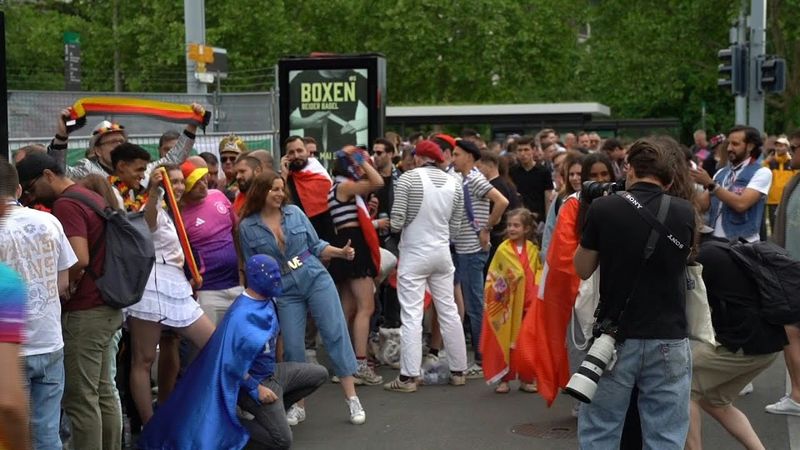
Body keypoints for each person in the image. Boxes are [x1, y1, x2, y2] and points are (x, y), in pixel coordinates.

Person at [573, 138, 695, 448]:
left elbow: (582, 268)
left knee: (602, 428)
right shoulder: (684, 211)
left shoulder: (604, 207)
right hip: (668, 335)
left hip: (615, 337)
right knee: (666, 433)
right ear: (668, 179)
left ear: (629, 170)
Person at [139, 255, 328, 450]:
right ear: (257, 278)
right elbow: (227, 361)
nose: (276, 279)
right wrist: (256, 389)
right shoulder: (240, 315)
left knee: (319, 374)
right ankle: (230, 428)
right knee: (282, 441)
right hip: (250, 382)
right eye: (271, 275)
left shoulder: (268, 301)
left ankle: (270, 414)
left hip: (272, 374)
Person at [238, 172, 366, 425]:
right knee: (293, 346)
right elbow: (252, 267)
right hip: (282, 287)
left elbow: (316, 246)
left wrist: (340, 252)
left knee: (334, 333)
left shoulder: (294, 213)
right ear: (260, 192)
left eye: (281, 188)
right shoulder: (246, 227)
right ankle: (298, 405)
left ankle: (352, 399)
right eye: (273, 189)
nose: (279, 193)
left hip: (313, 274)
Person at [16, 152, 124, 450]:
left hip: (86, 311)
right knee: (103, 391)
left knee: (80, 398)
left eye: (32, 188)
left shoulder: (67, 204)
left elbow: (79, 258)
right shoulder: (89, 195)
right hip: (108, 305)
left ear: (48, 175)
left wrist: (61, 286)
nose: (30, 196)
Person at [126, 166, 216, 425]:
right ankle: (150, 426)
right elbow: (149, 221)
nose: (177, 186)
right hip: (152, 283)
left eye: (179, 182)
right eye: (171, 182)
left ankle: (176, 409)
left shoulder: (177, 211)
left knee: (213, 342)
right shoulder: (151, 205)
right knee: (143, 360)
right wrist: (155, 192)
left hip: (177, 284)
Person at [0, 159, 78, 450]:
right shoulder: (49, 222)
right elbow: (62, 282)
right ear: (19, 189)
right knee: (48, 433)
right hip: (50, 341)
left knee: (13, 435)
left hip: (10, 349)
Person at [685, 237, 787, 450]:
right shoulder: (722, 246)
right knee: (715, 401)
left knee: (684, 387)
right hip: (769, 341)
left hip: (743, 343)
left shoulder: (701, 259)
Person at [384, 140, 469, 392]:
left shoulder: (409, 179)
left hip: (414, 253)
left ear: (419, 158)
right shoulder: (454, 182)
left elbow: (397, 221)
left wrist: (403, 224)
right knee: (449, 311)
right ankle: (458, 370)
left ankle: (409, 377)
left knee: (411, 314)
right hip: (442, 252)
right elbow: (456, 227)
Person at [451, 139, 509, 378]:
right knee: (473, 302)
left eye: (456, 154)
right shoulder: (466, 178)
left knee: (475, 305)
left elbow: (501, 201)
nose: (452, 158)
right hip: (466, 249)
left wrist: (487, 227)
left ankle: (482, 358)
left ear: (469, 157)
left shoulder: (474, 179)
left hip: (472, 249)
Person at [327, 147, 385, 385]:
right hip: (355, 247)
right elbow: (378, 182)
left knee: (348, 310)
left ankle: (345, 364)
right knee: (365, 307)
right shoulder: (345, 186)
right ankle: (360, 365)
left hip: (346, 244)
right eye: (359, 163)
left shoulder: (337, 186)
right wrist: (361, 160)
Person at [47, 104, 204, 180]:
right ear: (97, 151)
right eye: (112, 142)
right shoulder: (87, 171)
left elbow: (174, 159)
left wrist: (192, 124)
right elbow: (58, 171)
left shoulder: (142, 169)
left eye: (121, 141)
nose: (119, 146)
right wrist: (62, 135)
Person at [481, 208, 540, 394]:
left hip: (528, 303)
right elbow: (495, 275)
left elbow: (537, 272)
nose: (512, 228)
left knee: (526, 341)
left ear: (526, 228)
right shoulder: (503, 249)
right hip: (507, 304)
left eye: (516, 225)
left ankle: (526, 377)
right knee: (504, 340)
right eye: (509, 225)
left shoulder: (533, 250)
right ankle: (503, 378)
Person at [179, 158, 242, 325]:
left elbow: (236, 232)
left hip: (237, 283)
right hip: (208, 290)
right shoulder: (179, 216)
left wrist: (242, 271)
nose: (203, 184)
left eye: (203, 178)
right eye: (195, 182)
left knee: (239, 339)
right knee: (210, 344)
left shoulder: (219, 196)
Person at [766, 130, 800, 417]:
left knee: (791, 331)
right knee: (790, 331)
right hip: (791, 270)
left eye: (796, 148)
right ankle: (798, 395)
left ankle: (799, 396)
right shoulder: (794, 181)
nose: (790, 153)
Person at [692, 125, 772, 243]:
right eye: (728, 143)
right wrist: (683, 186)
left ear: (750, 146)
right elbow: (702, 205)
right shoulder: (721, 173)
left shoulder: (762, 172)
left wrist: (711, 184)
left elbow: (741, 204)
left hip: (743, 245)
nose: (729, 148)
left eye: (735, 144)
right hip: (714, 242)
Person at [510, 135, 552, 222]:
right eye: (520, 150)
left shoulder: (543, 171)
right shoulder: (512, 171)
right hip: (519, 217)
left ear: (533, 150)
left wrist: (548, 219)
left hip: (539, 218)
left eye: (526, 150)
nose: (523, 154)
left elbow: (548, 197)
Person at [763, 135, 797, 231]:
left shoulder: (792, 162)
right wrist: (766, 162)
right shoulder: (770, 161)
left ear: (787, 147)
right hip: (773, 200)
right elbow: (761, 175)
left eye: (782, 146)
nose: (779, 148)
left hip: (788, 199)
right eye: (777, 146)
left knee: (787, 227)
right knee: (774, 226)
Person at [219, 134, 248, 201]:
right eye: (224, 159)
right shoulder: (218, 184)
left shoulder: (248, 184)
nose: (228, 162)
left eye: (233, 159)